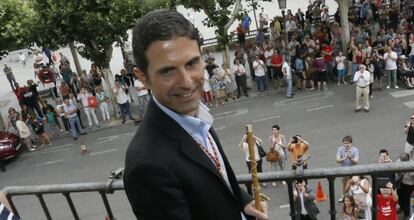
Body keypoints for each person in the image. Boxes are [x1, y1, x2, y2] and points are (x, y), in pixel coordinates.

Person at [124, 9, 268, 220]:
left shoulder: (194, 114)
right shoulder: (147, 166)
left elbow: (217, 175)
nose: (186, 82)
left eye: (191, 63)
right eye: (167, 71)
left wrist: (243, 200)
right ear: (142, 77)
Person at [337, 135, 359, 203]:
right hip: (344, 170)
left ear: (351, 143)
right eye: (345, 143)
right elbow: (337, 160)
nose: (346, 145)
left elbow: (356, 161)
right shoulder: (340, 149)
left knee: (354, 184)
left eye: (348, 143)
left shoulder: (355, 150)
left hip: (353, 170)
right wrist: (344, 158)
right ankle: (344, 197)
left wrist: (350, 158)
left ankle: (354, 197)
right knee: (344, 184)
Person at [396, 153, 414, 219]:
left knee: (406, 199)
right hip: (400, 182)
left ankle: (407, 214)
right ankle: (401, 207)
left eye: (403, 160)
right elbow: (395, 167)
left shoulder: (412, 165)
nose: (401, 161)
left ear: (407, 160)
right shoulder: (399, 161)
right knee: (399, 196)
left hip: (408, 185)